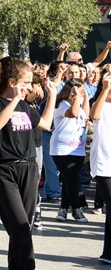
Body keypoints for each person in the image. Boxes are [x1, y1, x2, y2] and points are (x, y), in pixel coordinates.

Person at [0, 56, 56, 270]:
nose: (29, 86)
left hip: (29, 168)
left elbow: (46, 123)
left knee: (20, 230)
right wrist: (16, 98)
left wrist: (52, 95)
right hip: (6, 170)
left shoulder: (27, 108)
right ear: (12, 82)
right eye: (25, 82)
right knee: (19, 228)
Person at [50, 79, 90, 223]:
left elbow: (85, 114)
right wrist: (76, 96)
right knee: (72, 179)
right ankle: (76, 209)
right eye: (79, 90)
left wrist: (84, 97)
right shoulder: (62, 104)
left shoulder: (78, 102)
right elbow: (73, 113)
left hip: (78, 148)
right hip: (62, 149)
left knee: (69, 179)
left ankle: (62, 210)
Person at [90, 70, 111, 264]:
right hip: (105, 166)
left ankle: (107, 254)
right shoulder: (101, 105)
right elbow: (94, 115)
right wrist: (105, 89)